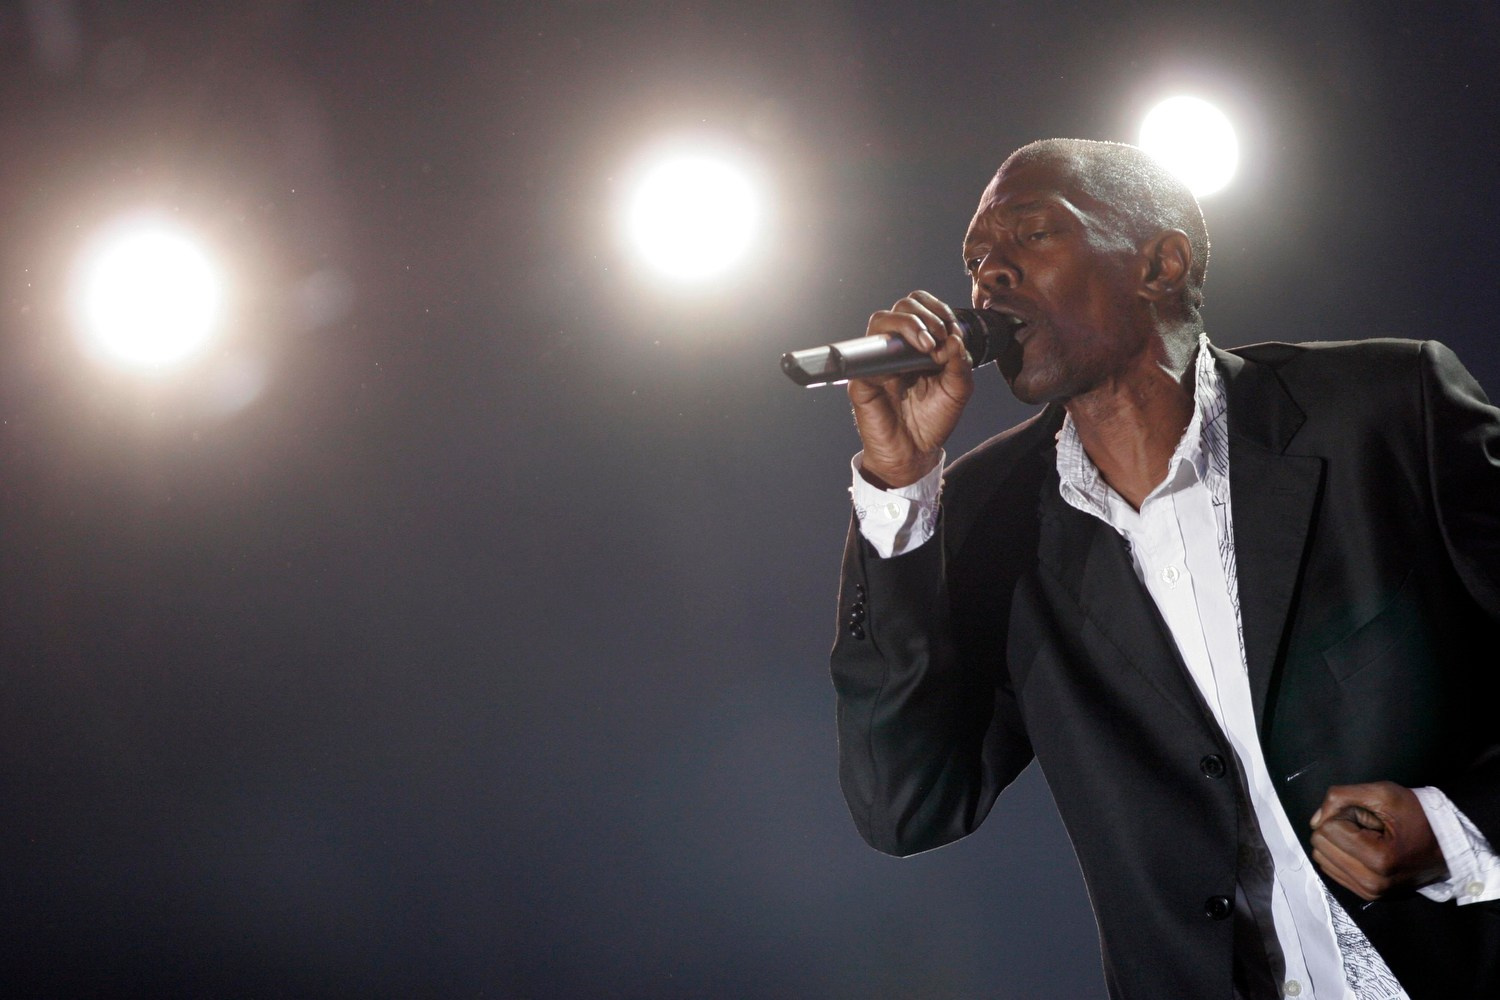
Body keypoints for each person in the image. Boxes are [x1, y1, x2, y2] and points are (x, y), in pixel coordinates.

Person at [830, 138, 1500, 999]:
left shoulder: (1385, 409)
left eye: (1029, 237)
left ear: (1159, 263)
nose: (988, 276)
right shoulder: (989, 516)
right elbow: (905, 806)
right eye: (975, 260)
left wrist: (1457, 831)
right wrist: (899, 486)